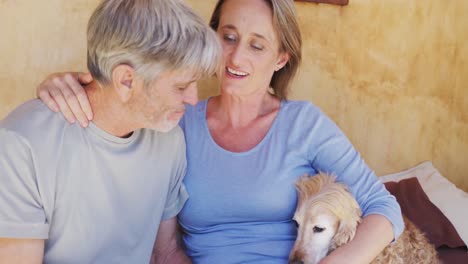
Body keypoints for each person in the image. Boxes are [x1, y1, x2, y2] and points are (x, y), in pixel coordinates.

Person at [36, 0, 404, 263]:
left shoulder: (304, 124)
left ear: (280, 58)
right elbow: (115, 113)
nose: (236, 57)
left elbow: (383, 207)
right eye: (228, 37)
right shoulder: (173, 119)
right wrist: (71, 86)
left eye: (257, 45)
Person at [0, 0, 221, 263]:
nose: (194, 99)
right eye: (182, 86)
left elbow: (166, 253)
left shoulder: (169, 140)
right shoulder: (22, 146)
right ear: (126, 80)